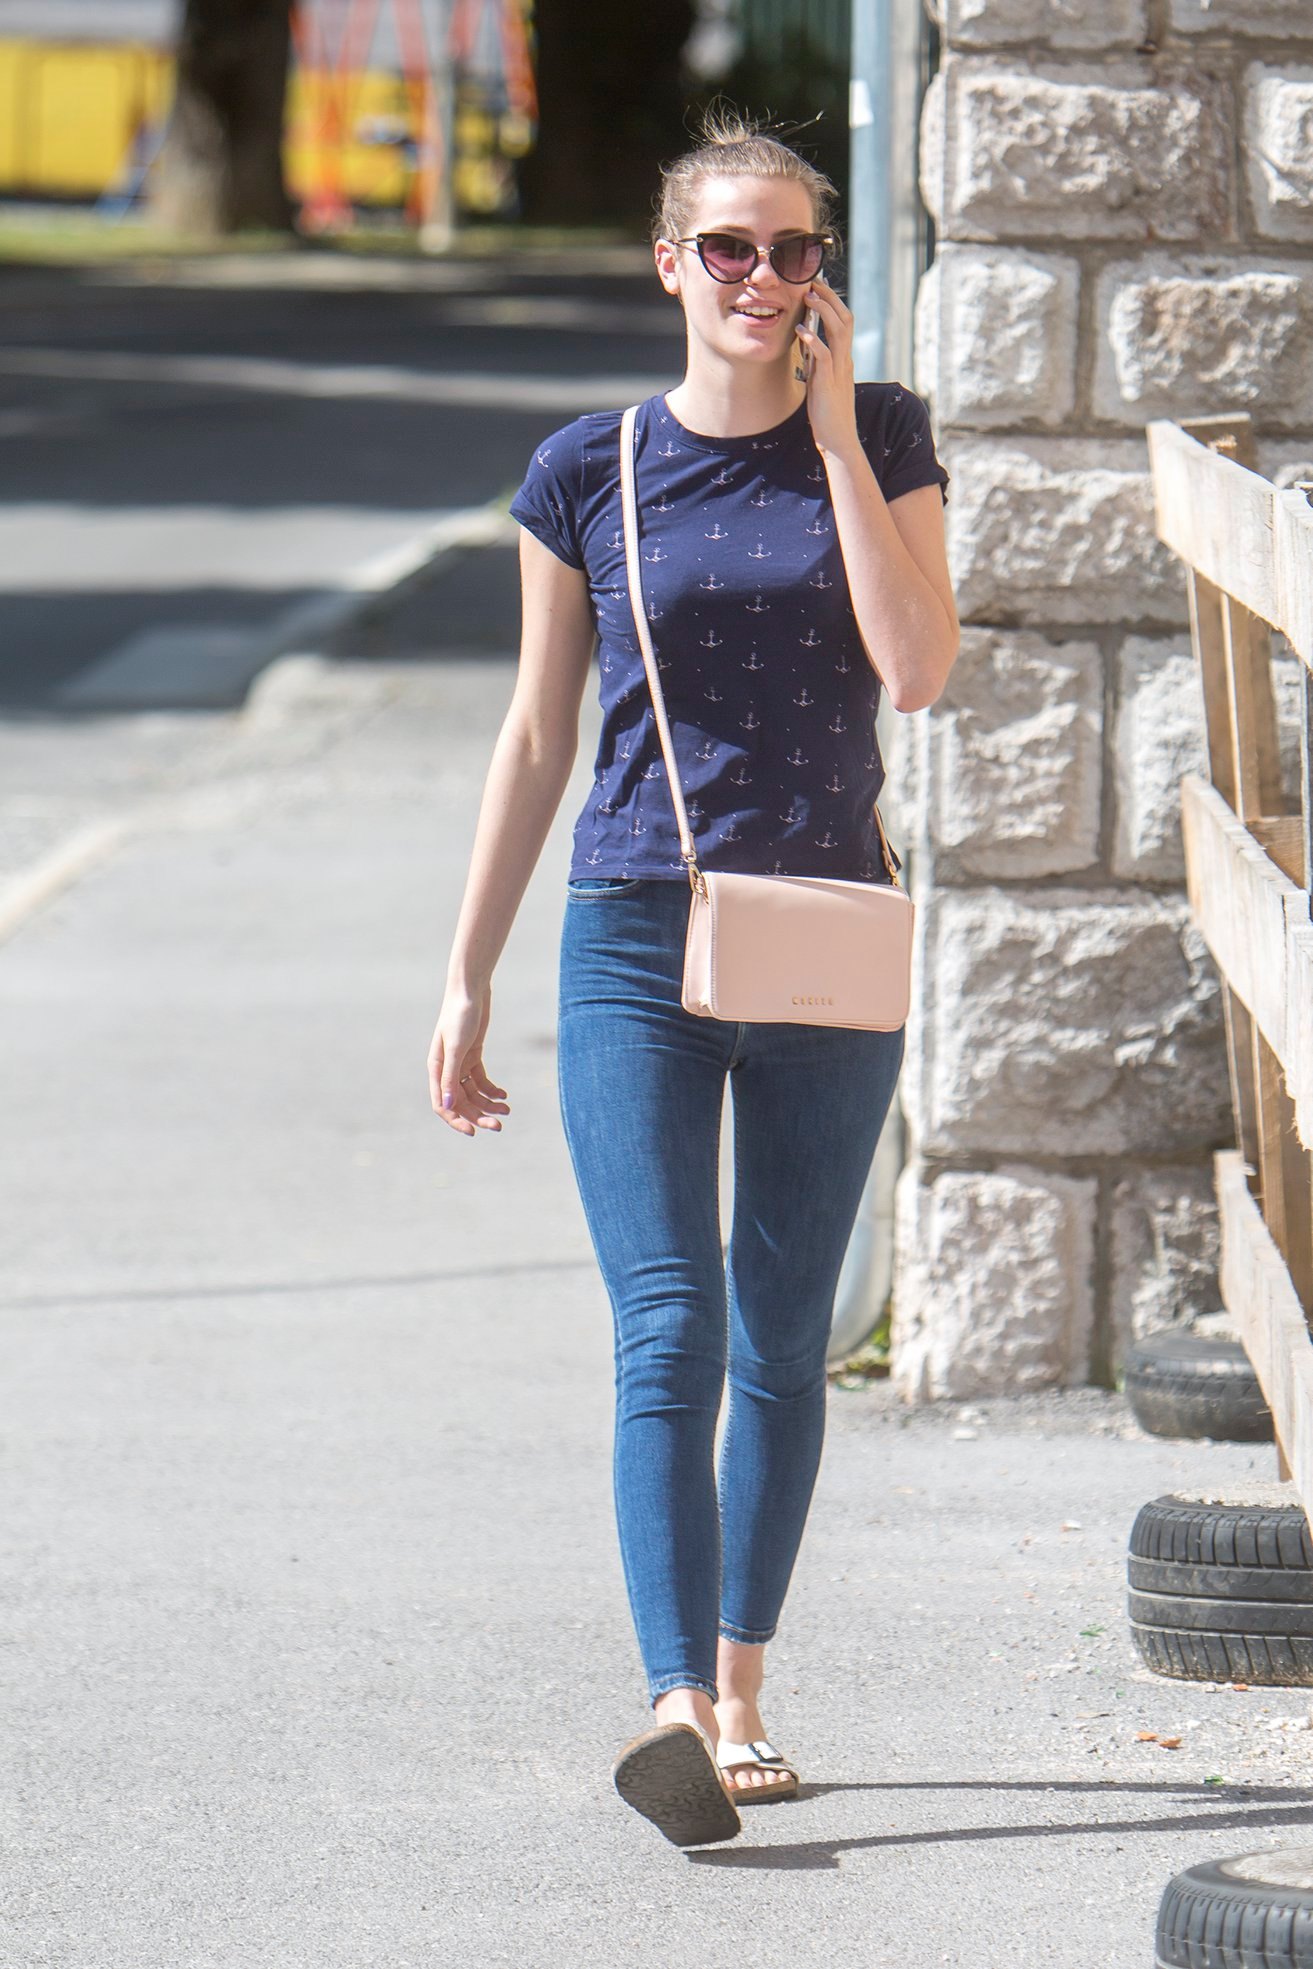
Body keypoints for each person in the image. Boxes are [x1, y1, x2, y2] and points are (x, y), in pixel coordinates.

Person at [426, 107, 959, 1848]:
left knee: (785, 1336)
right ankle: (669, 1700)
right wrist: (466, 971)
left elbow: (916, 669)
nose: (761, 276)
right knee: (668, 1318)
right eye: (728, 247)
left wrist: (834, 439)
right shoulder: (585, 468)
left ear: (821, 277)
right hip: (636, 930)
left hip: (822, 927)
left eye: (792, 250)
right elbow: (533, 736)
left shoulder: (882, 433)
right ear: (670, 263)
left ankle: (740, 1690)